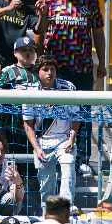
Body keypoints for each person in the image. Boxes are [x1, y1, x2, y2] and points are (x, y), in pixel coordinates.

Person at [35, 0, 107, 91]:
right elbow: (40, 32)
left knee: (82, 109)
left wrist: (102, 62)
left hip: (83, 67)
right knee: (56, 109)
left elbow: (98, 33)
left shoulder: (91, 1)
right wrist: (39, 61)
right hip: (55, 68)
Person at [23, 58, 81, 208]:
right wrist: (36, 148)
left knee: (68, 168)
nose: (50, 73)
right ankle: (47, 213)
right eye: (45, 69)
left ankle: (66, 207)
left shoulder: (68, 88)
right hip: (42, 143)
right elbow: (28, 125)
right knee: (46, 185)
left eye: (52, 69)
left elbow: (77, 117)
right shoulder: (30, 92)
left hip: (64, 141)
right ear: (38, 72)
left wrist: (72, 138)